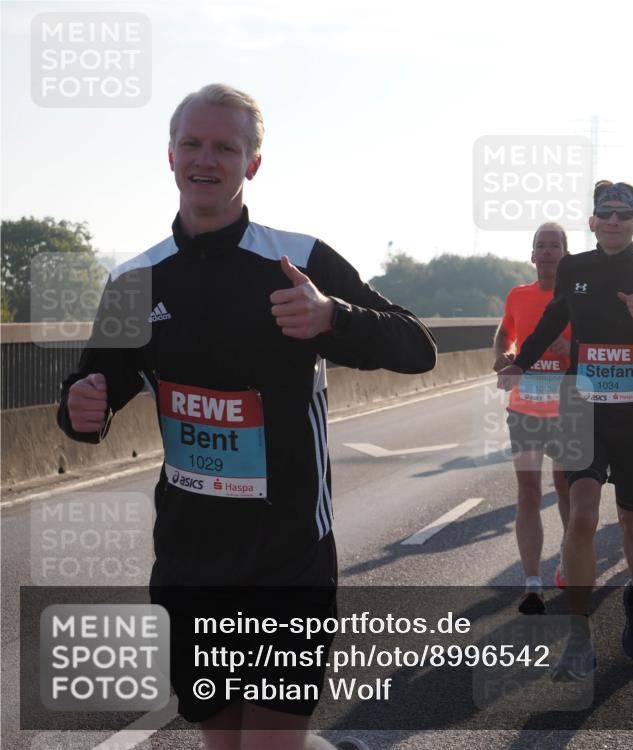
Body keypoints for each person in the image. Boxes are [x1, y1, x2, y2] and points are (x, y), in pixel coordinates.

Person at [57, 84, 436, 750]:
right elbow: (94, 393)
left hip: (288, 558)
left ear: (252, 163)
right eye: (192, 145)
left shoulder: (299, 260)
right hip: (189, 561)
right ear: (170, 156)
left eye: (226, 147)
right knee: (222, 741)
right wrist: (78, 408)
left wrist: (333, 319)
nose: (207, 159)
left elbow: (418, 348)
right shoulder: (136, 282)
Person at [497, 181, 633, 677]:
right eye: (605, 213)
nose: (613, 220)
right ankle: (577, 631)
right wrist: (520, 363)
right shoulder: (575, 267)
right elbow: (552, 317)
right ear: (591, 221)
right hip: (581, 409)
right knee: (581, 515)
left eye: (623, 214)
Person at [493, 222, 572, 613]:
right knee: (528, 491)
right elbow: (504, 333)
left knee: (566, 489)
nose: (546, 252)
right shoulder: (518, 294)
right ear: (532, 255)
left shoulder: (578, 298)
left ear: (565, 253)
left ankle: (567, 558)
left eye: (554, 246)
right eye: (540, 246)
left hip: (569, 409)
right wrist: (502, 355)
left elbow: (598, 342)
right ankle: (531, 582)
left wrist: (571, 344)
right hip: (524, 408)